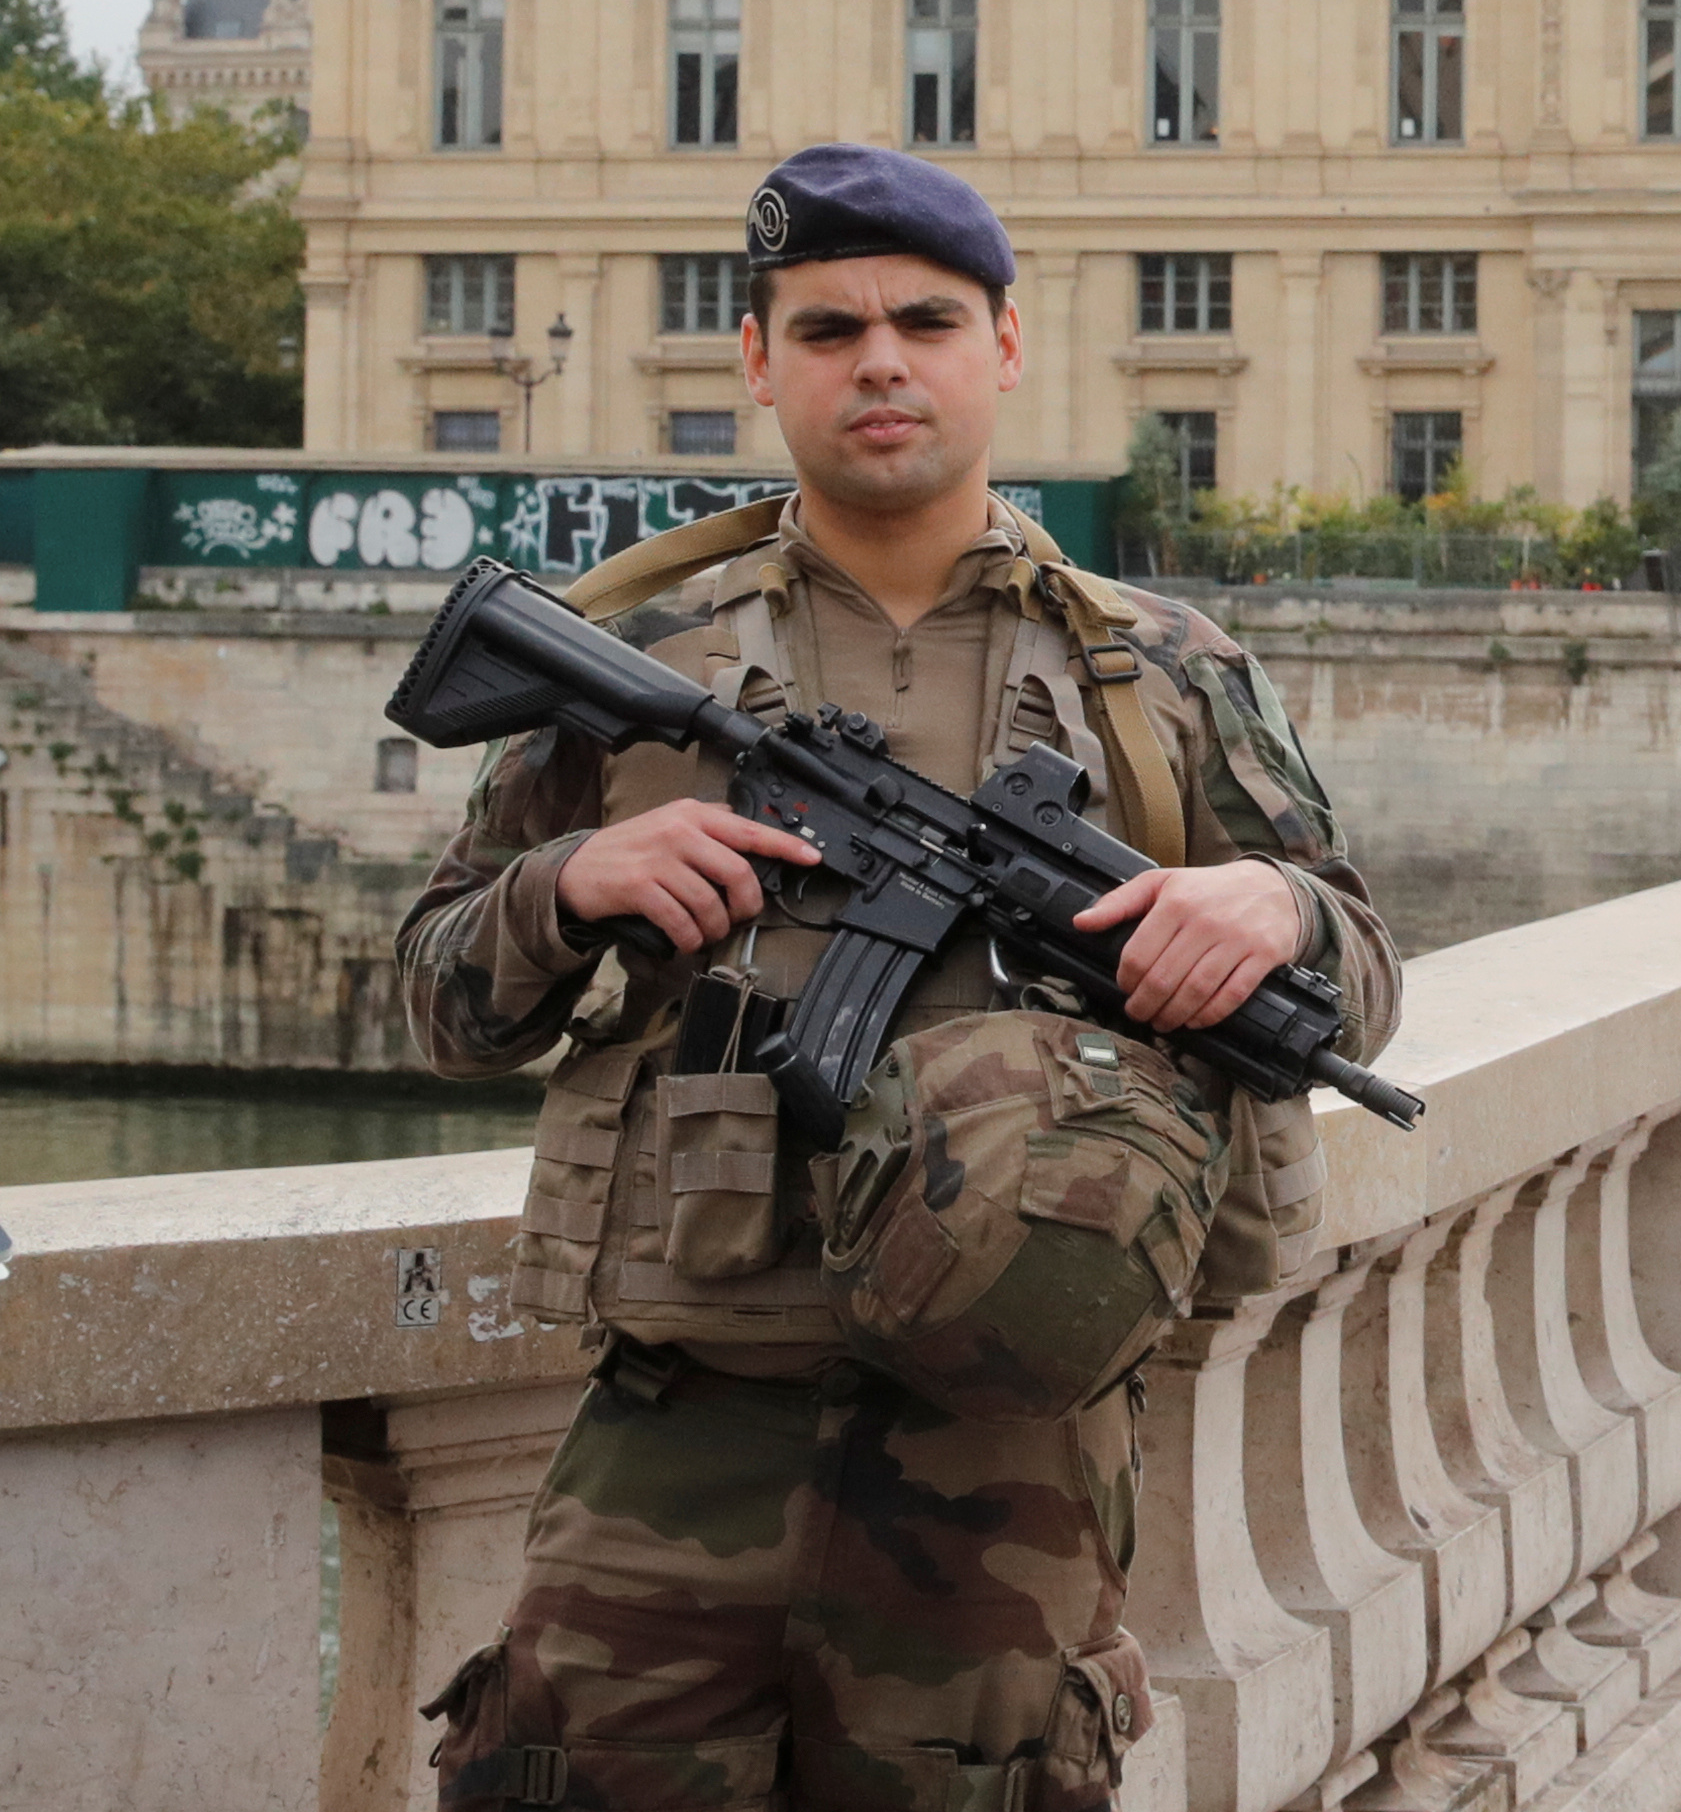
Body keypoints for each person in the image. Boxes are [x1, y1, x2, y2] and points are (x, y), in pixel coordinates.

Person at [396, 145, 1403, 1812]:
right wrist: (570, 885)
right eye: (829, 327)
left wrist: (1277, 916)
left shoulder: (1152, 674)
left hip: (1007, 1467)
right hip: (679, 1424)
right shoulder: (639, 662)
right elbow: (435, 1001)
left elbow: (1356, 975)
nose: (880, 361)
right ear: (756, 362)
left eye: (927, 321)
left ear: (1003, 346)